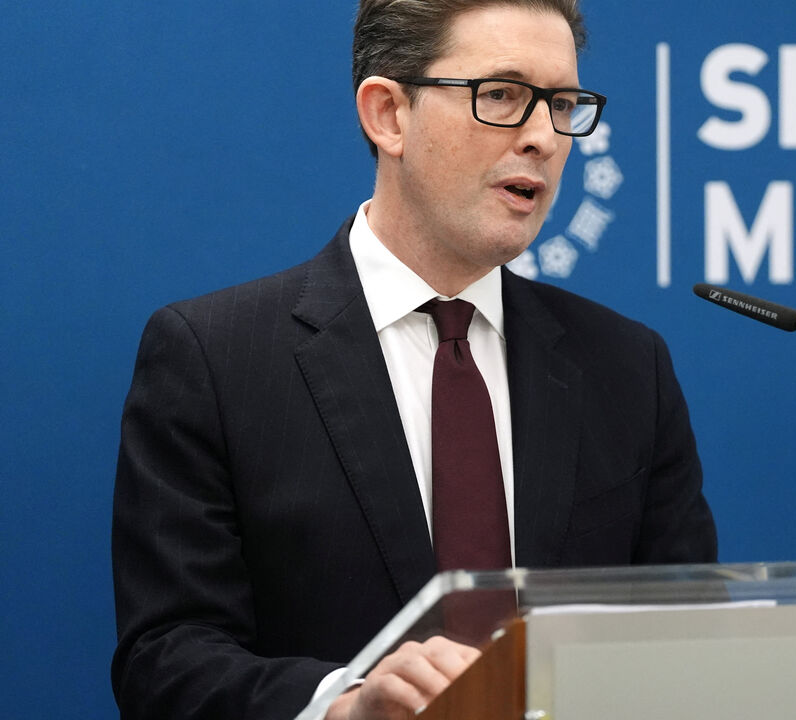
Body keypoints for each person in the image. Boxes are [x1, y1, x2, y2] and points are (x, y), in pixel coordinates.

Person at [110, 1, 717, 718]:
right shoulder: (216, 357)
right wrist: (345, 707)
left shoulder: (627, 367)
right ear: (388, 115)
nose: (544, 138)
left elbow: (689, 641)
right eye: (502, 95)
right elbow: (166, 660)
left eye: (562, 105)